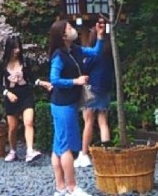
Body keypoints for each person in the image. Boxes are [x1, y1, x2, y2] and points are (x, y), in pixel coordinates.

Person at [47, 18, 101, 196]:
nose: (73, 29)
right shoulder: (59, 56)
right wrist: (75, 81)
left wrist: (99, 37)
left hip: (66, 103)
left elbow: (95, 53)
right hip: (62, 105)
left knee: (58, 146)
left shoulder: (75, 50)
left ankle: (60, 187)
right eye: (69, 27)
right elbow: (54, 80)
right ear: (63, 35)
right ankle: (71, 187)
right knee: (66, 147)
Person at [0, 33, 41, 164]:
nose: (17, 51)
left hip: (25, 94)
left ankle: (29, 151)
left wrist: (41, 83)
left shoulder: (25, 62)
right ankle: (12, 150)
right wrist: (7, 93)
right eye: (14, 48)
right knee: (12, 127)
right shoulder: (3, 65)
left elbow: (32, 78)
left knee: (29, 122)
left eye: (18, 47)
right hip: (11, 96)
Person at [76, 17, 111, 168]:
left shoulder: (92, 53)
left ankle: (84, 154)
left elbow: (85, 69)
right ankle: (106, 153)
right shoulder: (109, 50)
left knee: (88, 122)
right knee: (103, 121)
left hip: (92, 89)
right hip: (106, 88)